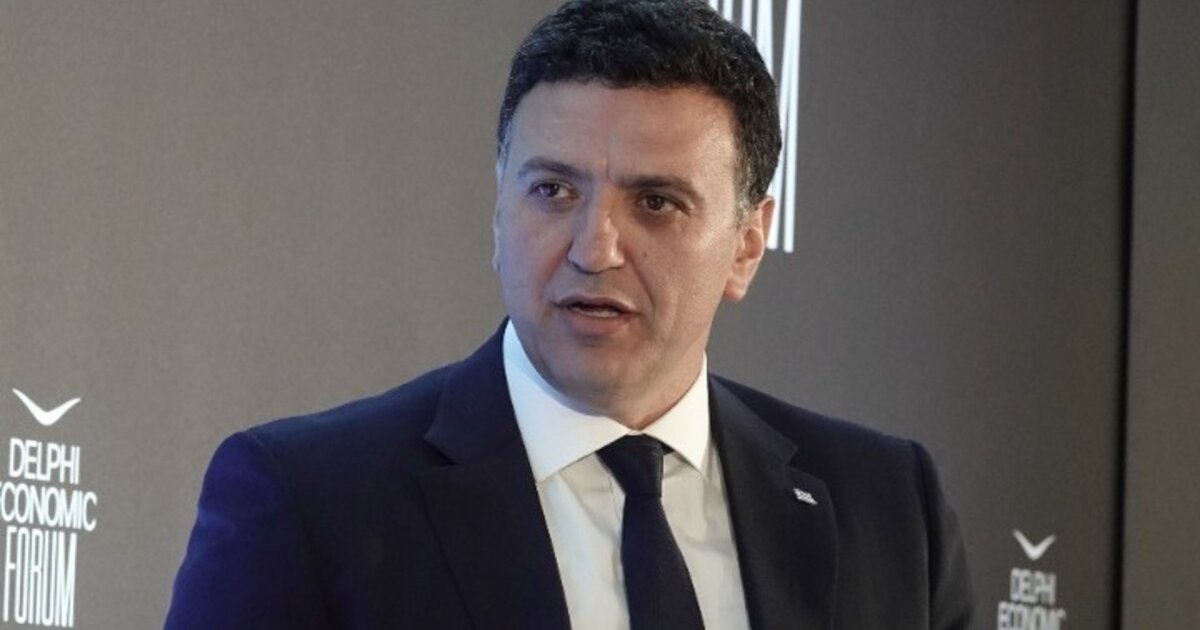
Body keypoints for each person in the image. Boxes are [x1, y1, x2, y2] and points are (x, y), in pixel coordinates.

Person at [165, 1, 973, 628]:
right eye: (553, 191)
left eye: (656, 203)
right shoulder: (312, 502)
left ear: (747, 245)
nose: (595, 248)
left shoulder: (888, 508)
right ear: (499, 211)